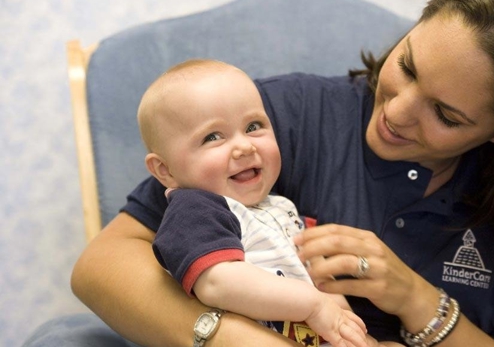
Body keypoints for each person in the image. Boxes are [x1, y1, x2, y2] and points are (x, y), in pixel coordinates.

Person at [67, 0, 494, 346]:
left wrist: (415, 299)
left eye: (446, 115)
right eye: (407, 65)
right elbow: (103, 265)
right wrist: (237, 337)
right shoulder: (278, 122)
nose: (394, 111)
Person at [135, 58, 381, 347]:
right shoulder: (194, 210)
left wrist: (352, 331)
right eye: (213, 137)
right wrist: (314, 306)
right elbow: (217, 282)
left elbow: (317, 281)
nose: (244, 146)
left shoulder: (280, 207)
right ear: (165, 171)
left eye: (253, 126)